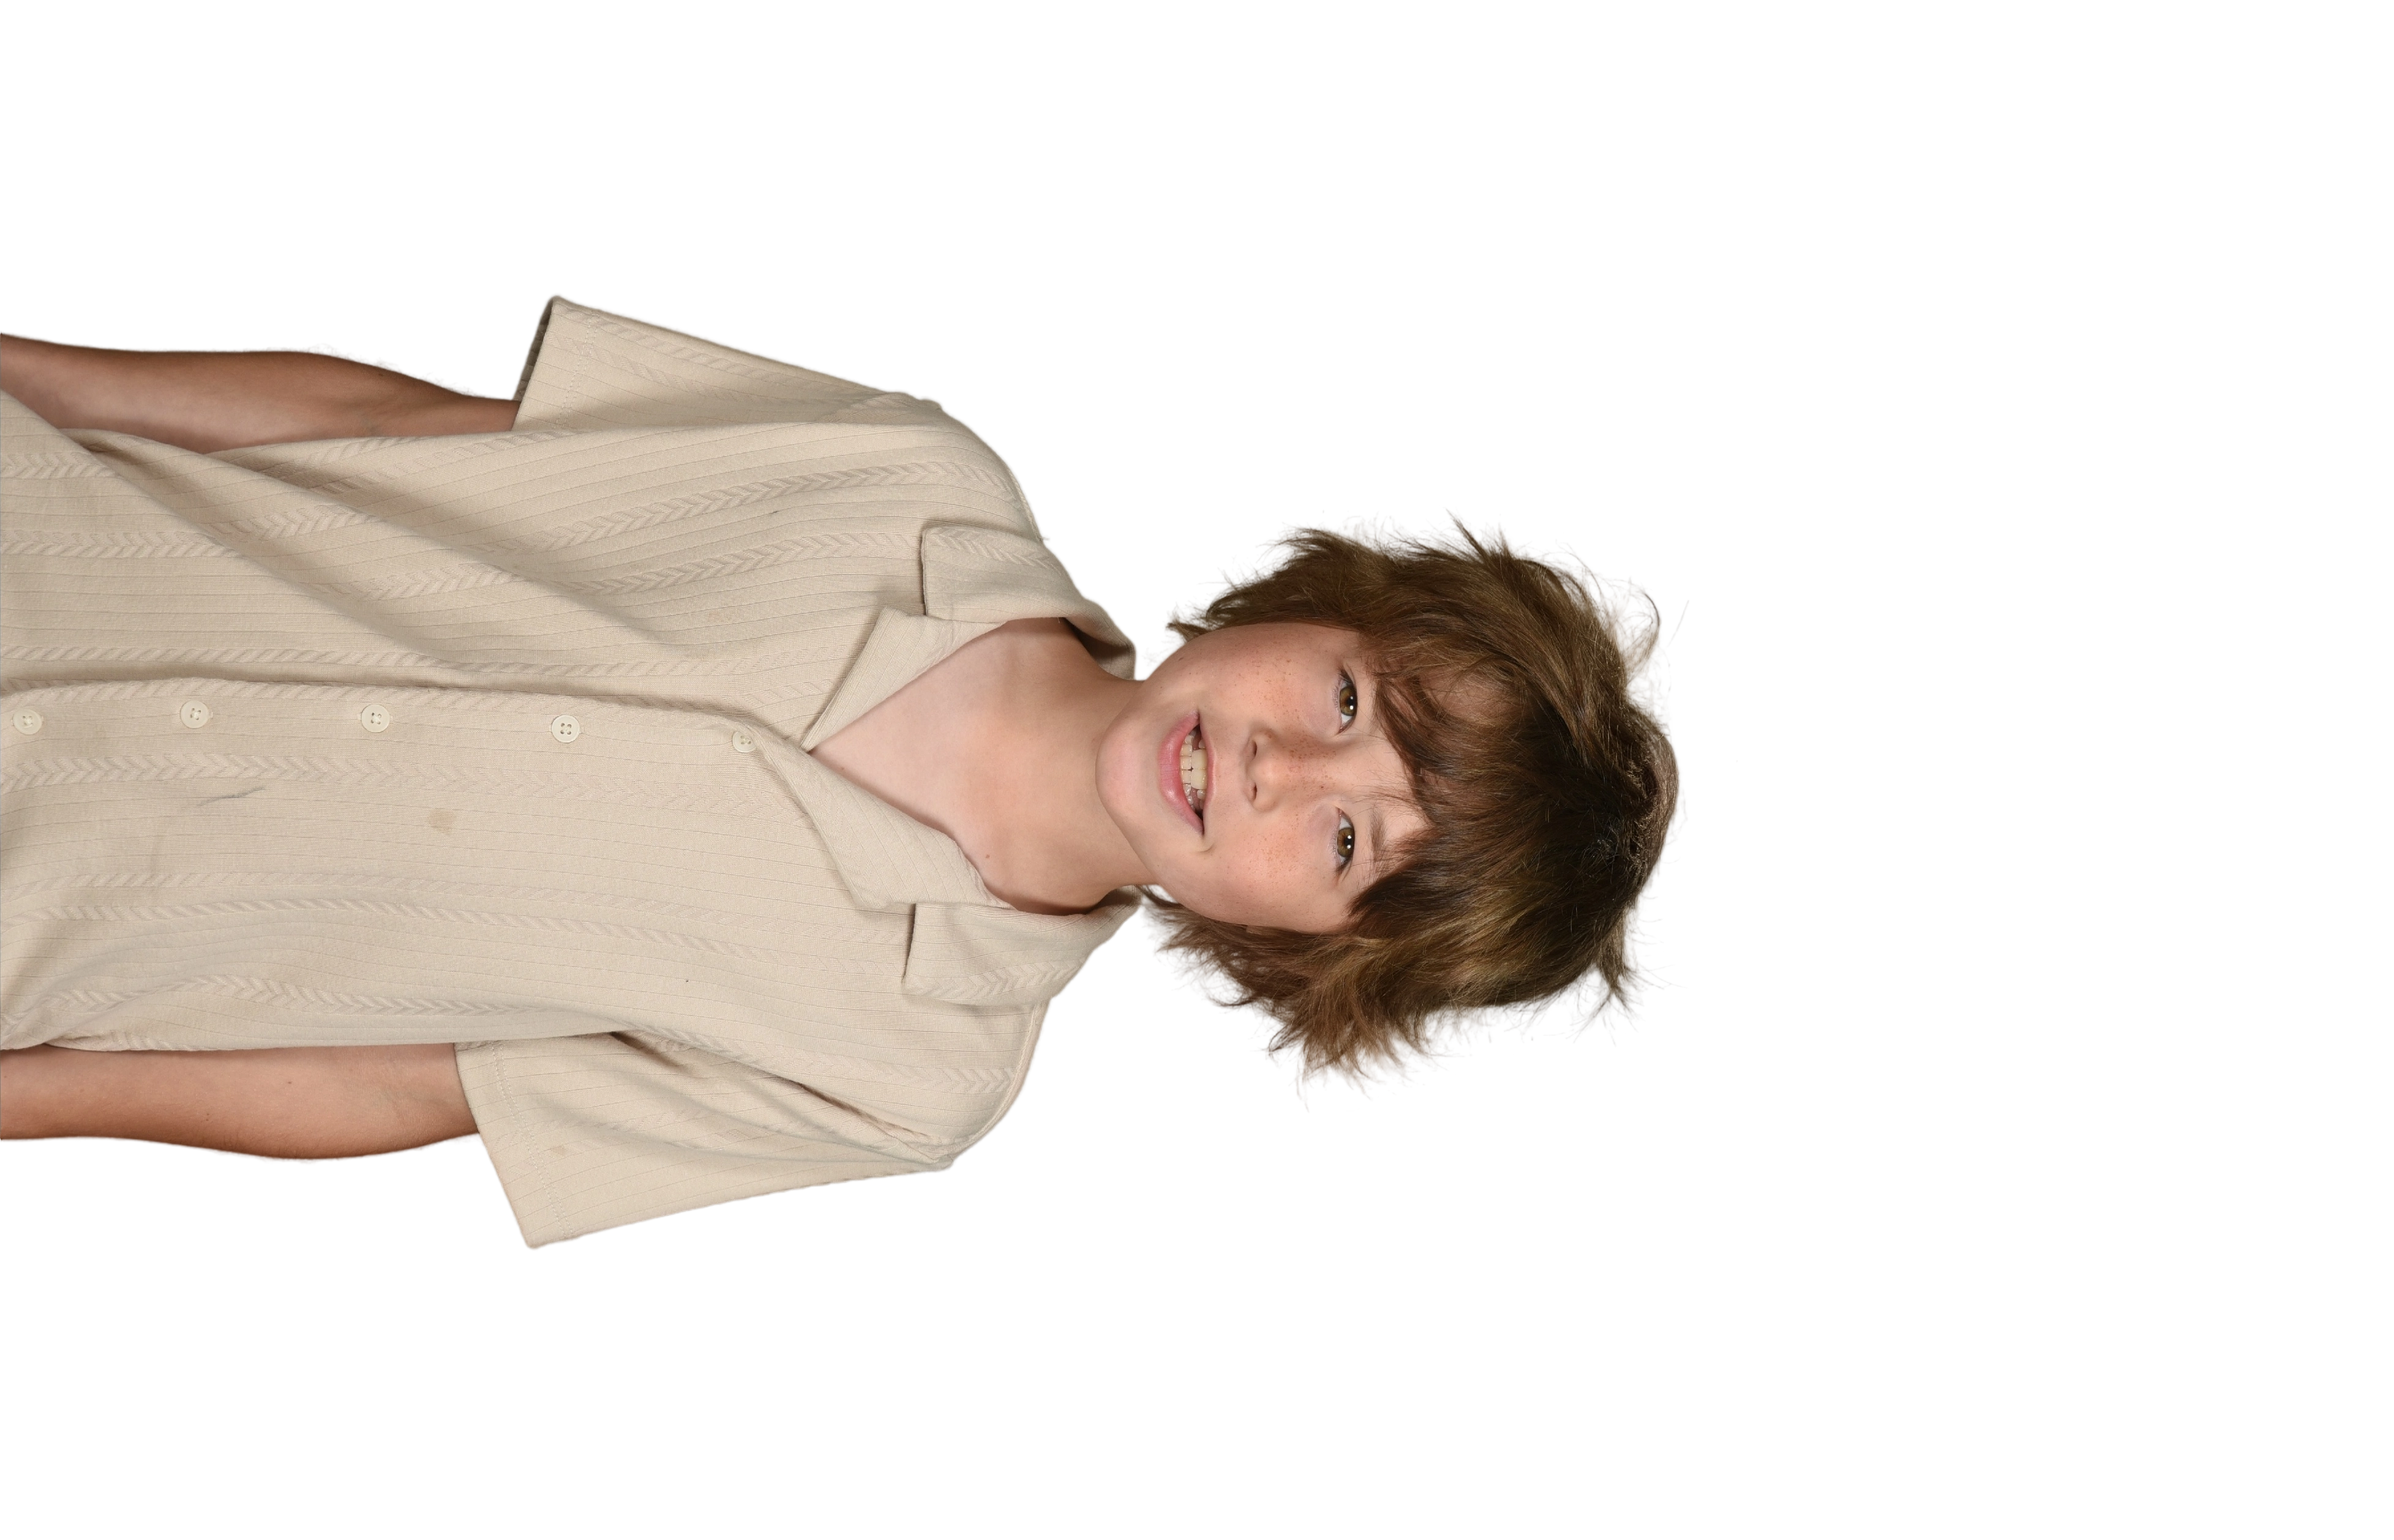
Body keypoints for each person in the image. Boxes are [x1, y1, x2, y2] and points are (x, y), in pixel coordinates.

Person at [0, 294, 1687, 1249]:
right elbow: (387, 426)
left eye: (1343, 842)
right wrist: (29, 369)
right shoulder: (904, 474)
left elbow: (398, 1089)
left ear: (1311, 950)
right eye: (1342, 698)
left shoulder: (910, 1074)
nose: (1272, 768)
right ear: (1323, 602)